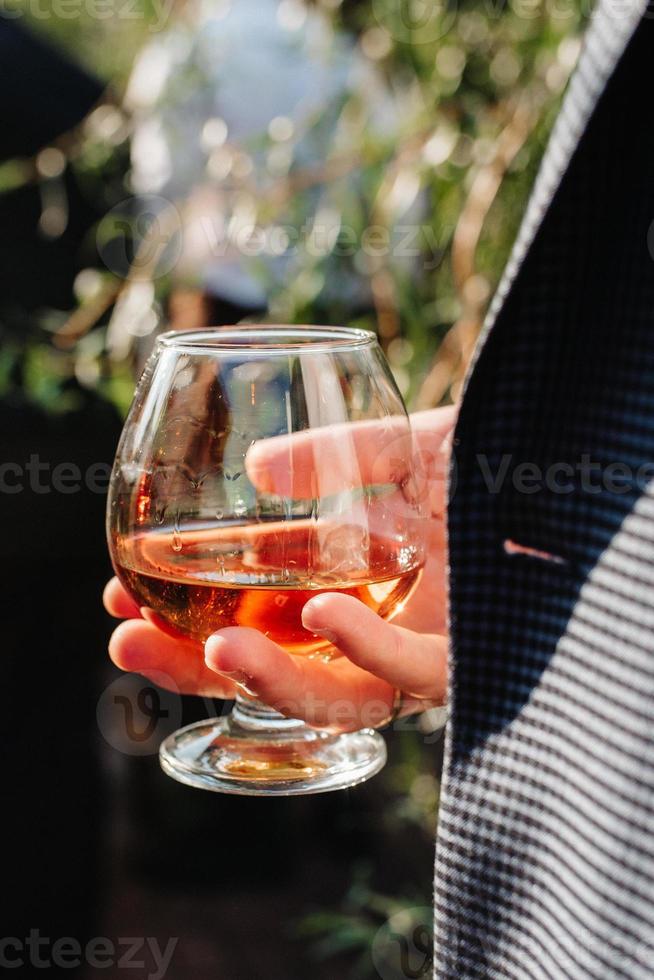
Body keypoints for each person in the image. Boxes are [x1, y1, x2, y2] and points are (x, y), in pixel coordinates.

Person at [104, 0, 654, 974]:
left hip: (219, 313)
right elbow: (394, 198)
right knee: (289, 520)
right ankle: (318, 834)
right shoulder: (347, 55)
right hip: (332, 309)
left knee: (227, 500)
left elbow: (157, 189)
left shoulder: (193, 47)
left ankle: (224, 854)